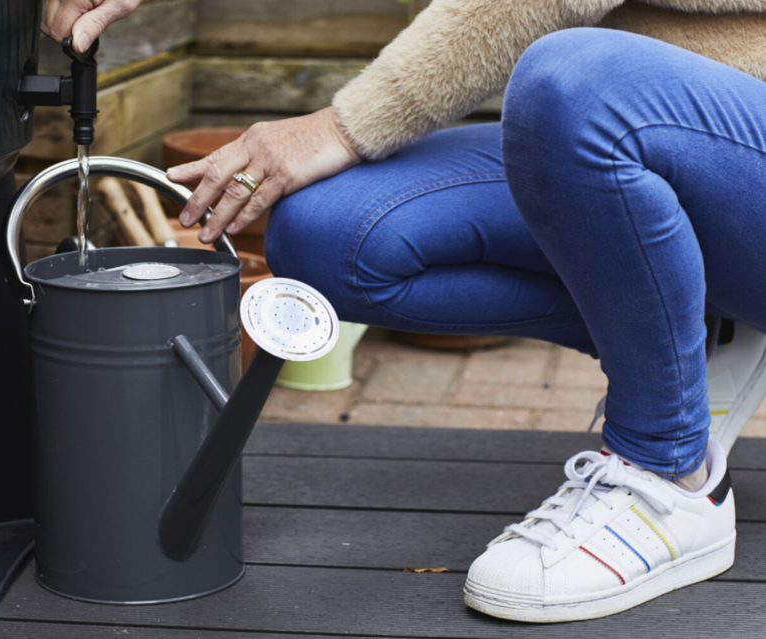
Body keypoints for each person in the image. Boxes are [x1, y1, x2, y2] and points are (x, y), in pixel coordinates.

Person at [43, 0, 766, 623]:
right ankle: (680, 330)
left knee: (573, 82)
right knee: (326, 233)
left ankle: (670, 474)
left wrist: (342, 125)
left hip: (687, 131)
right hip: (643, 137)